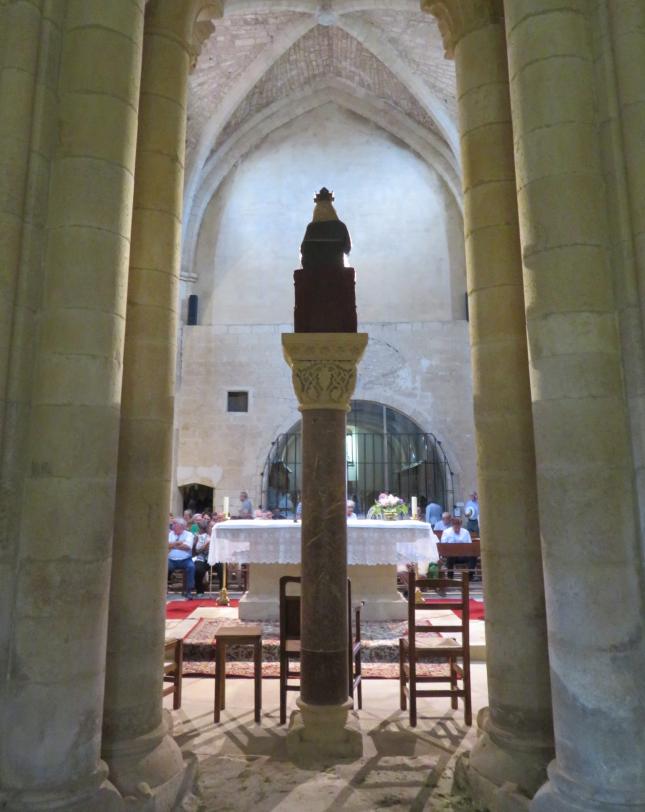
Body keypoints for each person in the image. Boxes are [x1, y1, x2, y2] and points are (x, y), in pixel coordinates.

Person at [440, 516, 477, 580]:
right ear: (452, 525)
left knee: (473, 557)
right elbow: (443, 544)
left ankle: (470, 576)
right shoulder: (446, 532)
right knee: (450, 557)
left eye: (458, 525)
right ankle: (450, 577)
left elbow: (470, 545)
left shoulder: (465, 532)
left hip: (464, 555)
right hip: (452, 555)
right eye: (455, 525)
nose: (457, 527)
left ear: (460, 525)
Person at [168, 518, 196, 598]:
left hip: (185, 560)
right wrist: (178, 543)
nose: (172, 525)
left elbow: (188, 547)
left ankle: (188, 590)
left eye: (174, 524)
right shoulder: (170, 534)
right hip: (171, 559)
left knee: (191, 567)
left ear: (181, 526)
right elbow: (166, 545)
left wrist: (173, 545)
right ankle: (162, 589)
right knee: (164, 567)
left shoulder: (189, 534)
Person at [192, 517, 210, 595]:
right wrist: (205, 546)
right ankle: (199, 590)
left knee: (221, 567)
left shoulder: (215, 536)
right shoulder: (199, 536)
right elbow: (197, 550)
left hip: (214, 557)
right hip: (202, 557)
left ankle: (222, 590)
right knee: (198, 569)